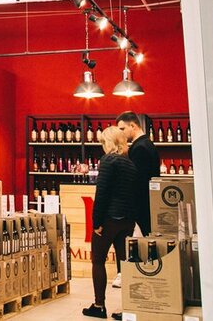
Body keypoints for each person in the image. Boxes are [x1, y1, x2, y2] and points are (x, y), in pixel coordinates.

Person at [83, 126, 137, 319]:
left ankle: (99, 306)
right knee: (125, 265)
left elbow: (102, 193)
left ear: (108, 142)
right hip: (127, 220)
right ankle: (128, 309)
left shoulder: (108, 160)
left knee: (98, 261)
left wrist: (96, 221)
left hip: (109, 220)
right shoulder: (130, 163)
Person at [116, 111, 161, 236]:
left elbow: (137, 181)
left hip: (141, 206)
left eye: (122, 129)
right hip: (148, 203)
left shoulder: (140, 148)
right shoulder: (146, 144)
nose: (121, 133)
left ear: (133, 126)